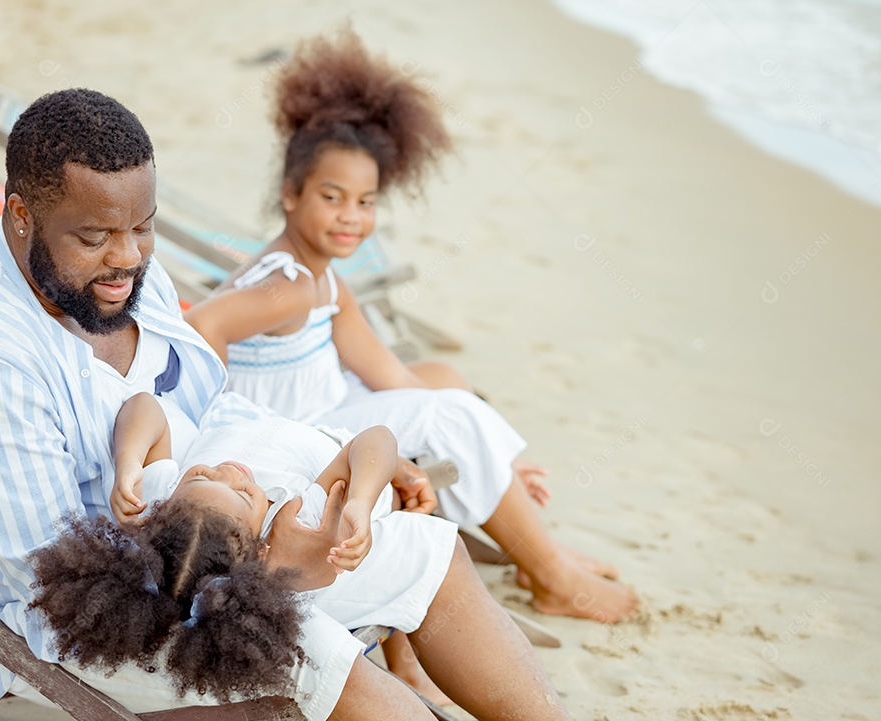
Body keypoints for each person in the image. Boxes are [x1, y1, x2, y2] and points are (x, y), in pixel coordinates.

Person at [0, 87, 569, 720]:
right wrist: (267, 567)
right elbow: (46, 578)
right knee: (318, 653)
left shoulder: (113, 278)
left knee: (431, 552)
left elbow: (202, 405)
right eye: (94, 237)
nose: (126, 259)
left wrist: (314, 484)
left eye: (142, 228)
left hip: (207, 526)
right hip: (71, 623)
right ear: (20, 216)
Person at [183, 27, 639, 633]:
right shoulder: (288, 282)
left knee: (442, 380)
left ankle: (522, 521)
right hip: (289, 430)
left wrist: (494, 459)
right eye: (332, 196)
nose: (352, 216)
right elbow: (207, 320)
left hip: (322, 404)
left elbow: (392, 375)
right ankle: (552, 575)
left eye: (366, 202)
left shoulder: (325, 280)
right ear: (290, 195)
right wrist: (224, 415)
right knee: (451, 416)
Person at [35, 396, 573, 721]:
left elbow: (144, 409)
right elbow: (377, 440)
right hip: (318, 448)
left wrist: (129, 463)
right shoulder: (300, 515)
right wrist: (361, 499)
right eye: (242, 493)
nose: (227, 469)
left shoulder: (173, 504)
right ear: (262, 549)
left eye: (202, 474)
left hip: (257, 416)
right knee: (435, 551)